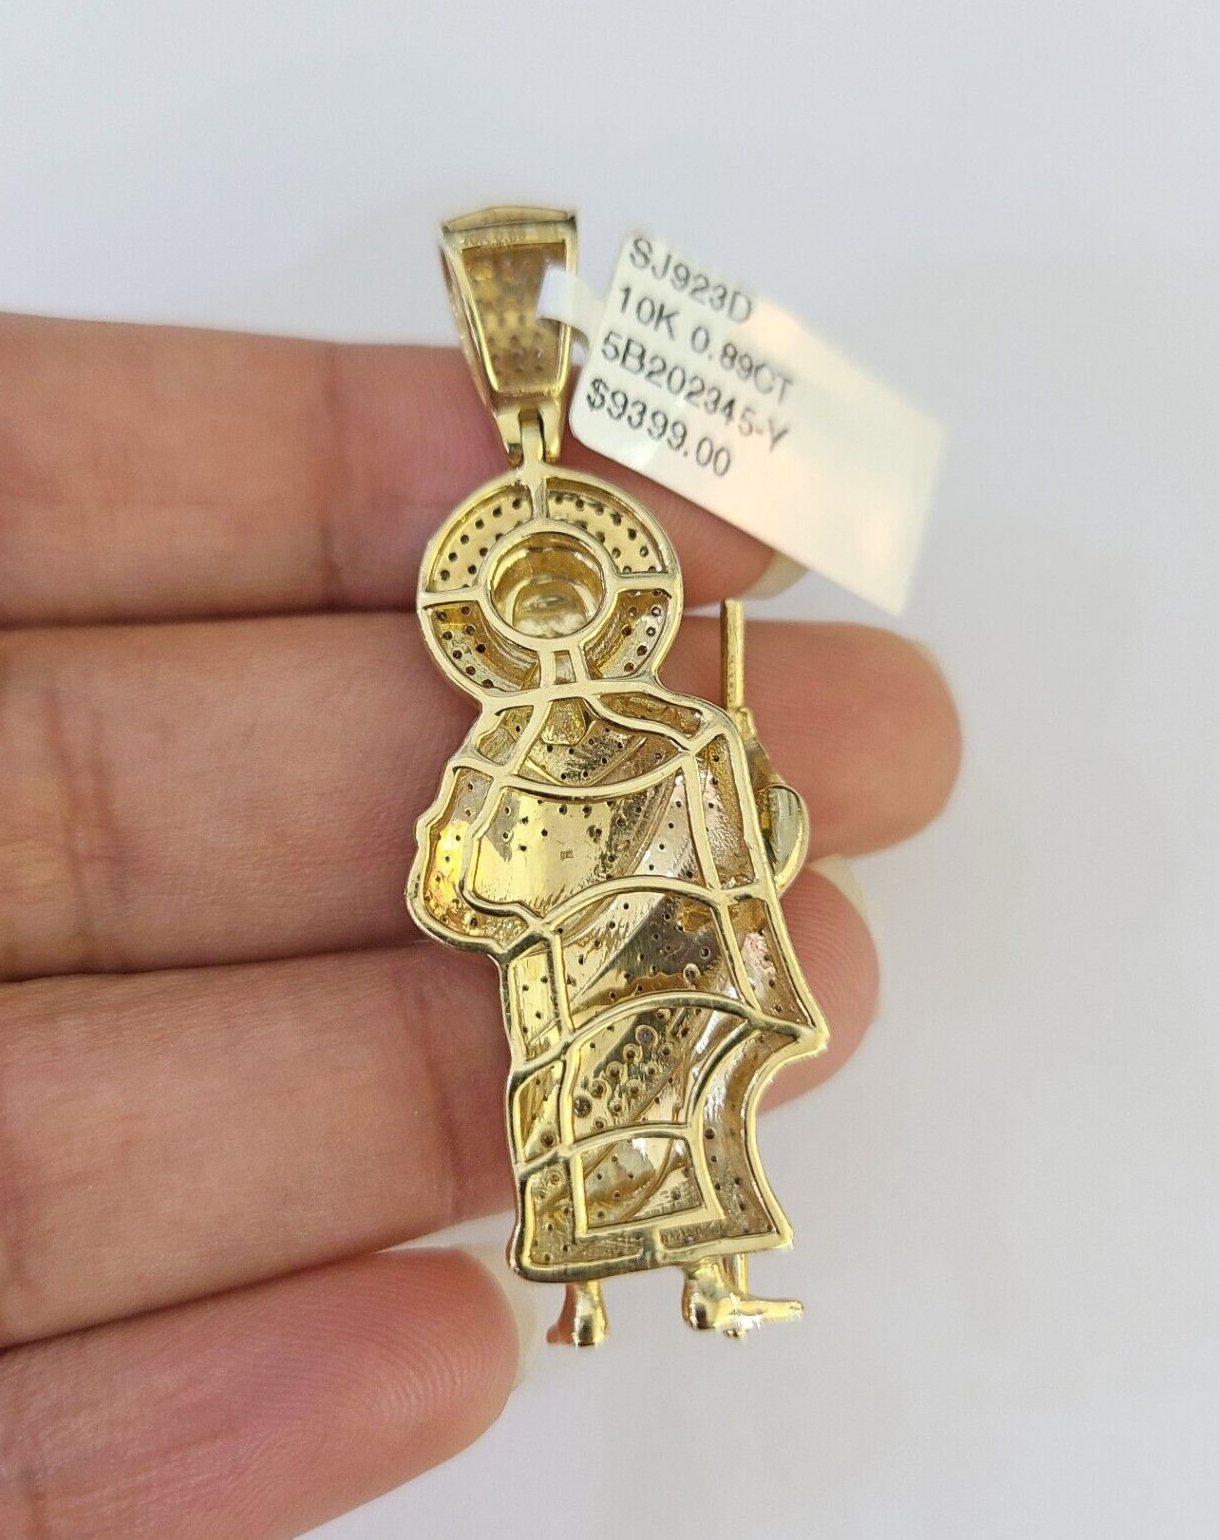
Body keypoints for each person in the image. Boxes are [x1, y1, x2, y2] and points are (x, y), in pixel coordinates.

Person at [0, 313, 960, 1539]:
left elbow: (747, 854)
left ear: (607, 616)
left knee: (704, 1115)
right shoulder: (496, 751)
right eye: (535, 623)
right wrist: (540, 899)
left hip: (675, 966)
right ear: (503, 634)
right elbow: (448, 885)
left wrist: (754, 799)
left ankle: (714, 1282)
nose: (558, 641)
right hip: (570, 983)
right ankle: (586, 1298)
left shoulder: (680, 731)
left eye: (575, 615)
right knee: (577, 1133)